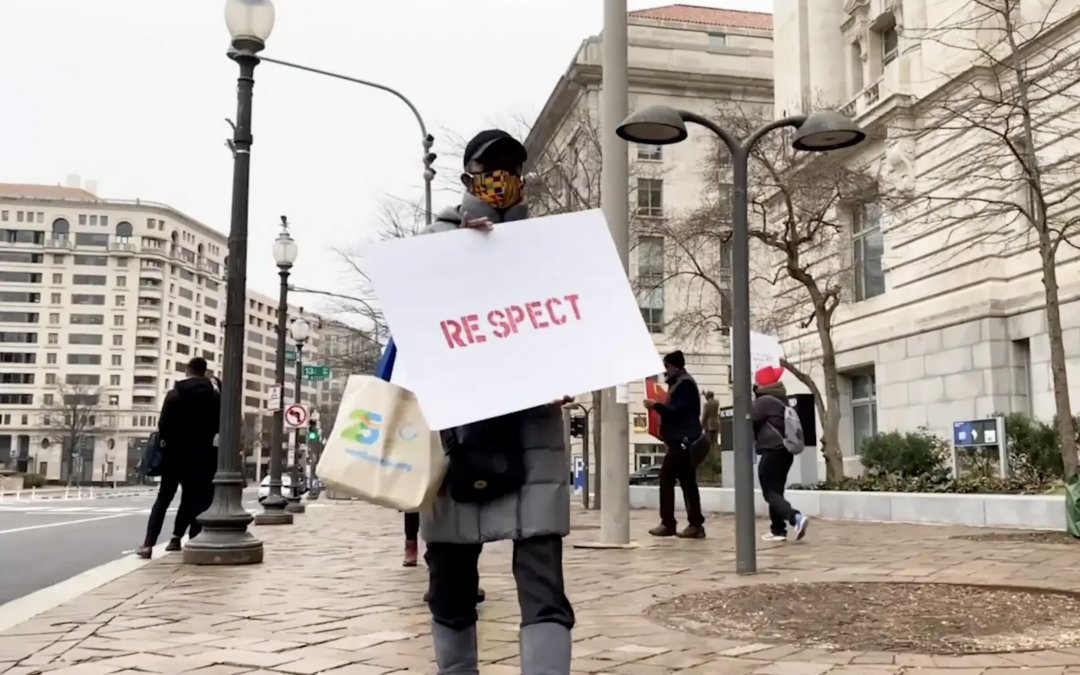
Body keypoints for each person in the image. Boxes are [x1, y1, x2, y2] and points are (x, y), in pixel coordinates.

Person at [420, 129, 574, 675]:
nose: (500, 178)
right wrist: (460, 249)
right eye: (490, 168)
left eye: (510, 168)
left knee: (543, 578)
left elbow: (571, 326)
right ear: (467, 177)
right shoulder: (434, 240)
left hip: (535, 434)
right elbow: (418, 326)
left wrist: (571, 370)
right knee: (452, 579)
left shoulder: (551, 246)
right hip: (456, 435)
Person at [136, 357, 220, 558]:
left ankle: (148, 544)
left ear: (187, 371)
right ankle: (190, 539)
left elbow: (163, 426)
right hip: (202, 455)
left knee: (163, 499)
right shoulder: (215, 397)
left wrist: (168, 442)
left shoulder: (174, 395)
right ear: (204, 372)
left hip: (174, 455)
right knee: (195, 499)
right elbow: (219, 424)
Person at [645, 350, 709, 539]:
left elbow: (679, 410)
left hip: (682, 441)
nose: (665, 371)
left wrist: (655, 406)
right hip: (682, 441)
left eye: (666, 367)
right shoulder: (680, 383)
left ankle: (669, 523)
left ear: (675, 366)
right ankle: (695, 524)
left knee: (666, 479)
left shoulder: (684, 384)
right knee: (688, 483)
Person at [751, 367, 808, 542]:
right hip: (785, 452)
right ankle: (778, 530)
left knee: (769, 493)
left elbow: (748, 420)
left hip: (772, 451)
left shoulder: (764, 401)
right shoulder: (781, 400)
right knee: (776, 491)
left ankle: (795, 518)